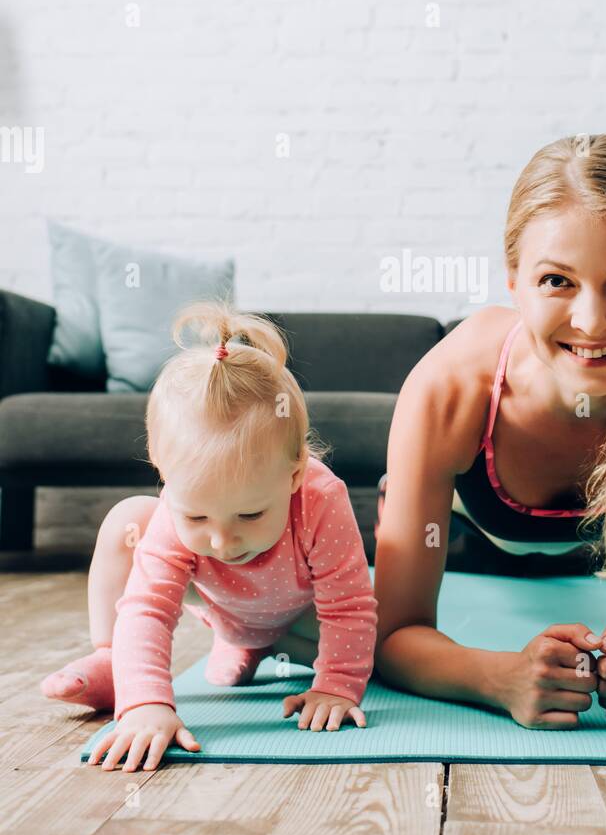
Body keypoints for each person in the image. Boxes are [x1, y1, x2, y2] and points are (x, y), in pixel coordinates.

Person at [373, 133, 606, 731]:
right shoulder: (449, 387)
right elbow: (394, 633)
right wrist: (498, 679)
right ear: (514, 279)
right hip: (472, 546)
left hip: (595, 568)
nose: (591, 321)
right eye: (557, 281)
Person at [42, 303, 377, 770]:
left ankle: (262, 647)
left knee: (383, 657)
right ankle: (115, 662)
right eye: (197, 517)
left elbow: (348, 607)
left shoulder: (322, 498)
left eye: (250, 513)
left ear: (295, 474)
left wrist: (335, 685)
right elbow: (149, 609)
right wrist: (145, 704)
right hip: (223, 608)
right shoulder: (173, 511)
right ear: (164, 477)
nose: (223, 541)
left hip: (302, 621)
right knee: (128, 521)